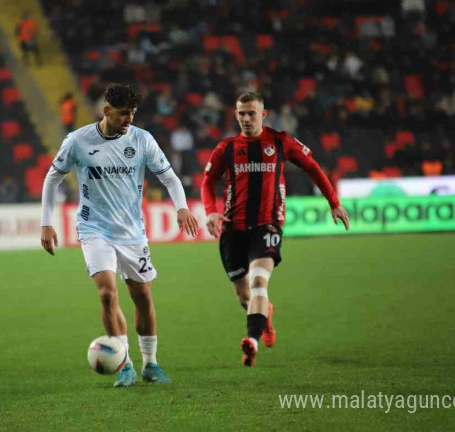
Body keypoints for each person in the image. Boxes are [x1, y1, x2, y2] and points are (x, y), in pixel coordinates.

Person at [40, 83, 199, 387]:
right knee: (106, 294)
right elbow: (52, 179)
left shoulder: (142, 140)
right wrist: (46, 222)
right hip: (94, 229)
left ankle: (150, 364)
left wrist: (181, 207)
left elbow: (168, 177)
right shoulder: (78, 140)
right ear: (107, 111)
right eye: (124, 114)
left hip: (132, 232)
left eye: (133, 115)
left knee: (142, 296)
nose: (129, 120)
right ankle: (124, 362)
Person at [200, 92, 350, 367]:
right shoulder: (227, 148)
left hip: (268, 224)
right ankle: (264, 319)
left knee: (259, 281)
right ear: (236, 115)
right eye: (241, 113)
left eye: (252, 113)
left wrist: (334, 202)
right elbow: (208, 182)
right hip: (232, 229)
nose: (246, 118)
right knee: (244, 295)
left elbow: (312, 167)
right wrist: (210, 211)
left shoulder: (280, 141)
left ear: (263, 114)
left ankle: (252, 341)